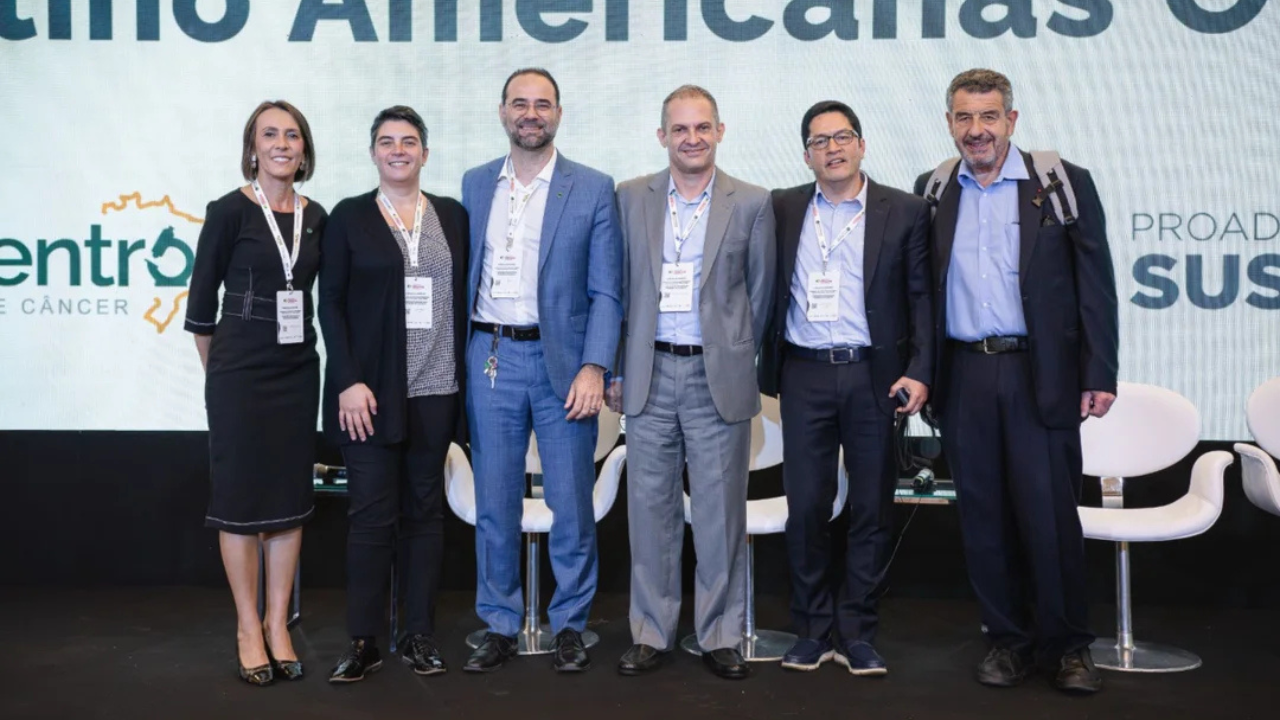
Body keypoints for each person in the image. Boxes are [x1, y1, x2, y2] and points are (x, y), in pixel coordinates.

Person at [913, 68, 1119, 694]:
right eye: (964, 117)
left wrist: (1099, 371)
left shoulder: (1060, 183)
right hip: (964, 374)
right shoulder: (933, 190)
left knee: (1049, 516)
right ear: (949, 122)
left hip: (1041, 375)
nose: (976, 130)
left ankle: (1069, 647)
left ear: (1011, 120)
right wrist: (923, 373)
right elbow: (921, 294)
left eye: (989, 116)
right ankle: (1007, 641)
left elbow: (1096, 286)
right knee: (983, 517)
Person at [759, 100, 932, 676]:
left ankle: (856, 631)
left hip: (873, 376)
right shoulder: (782, 207)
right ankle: (811, 629)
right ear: (806, 155)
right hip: (803, 374)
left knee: (871, 507)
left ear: (861, 145)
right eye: (819, 141)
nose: (832, 149)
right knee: (806, 507)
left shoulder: (905, 210)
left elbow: (922, 298)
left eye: (842, 137)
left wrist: (921, 368)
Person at [608, 85, 776, 680]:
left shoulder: (752, 202)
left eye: (703, 127)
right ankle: (651, 632)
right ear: (662, 136)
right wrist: (616, 368)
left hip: (716, 378)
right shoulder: (631, 197)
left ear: (720, 131)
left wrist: (733, 356)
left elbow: (760, 296)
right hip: (649, 374)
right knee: (648, 511)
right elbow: (617, 290)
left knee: (719, 512)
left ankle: (720, 634)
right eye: (680, 129)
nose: (692, 138)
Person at [460, 68, 623, 674]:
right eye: (520, 103)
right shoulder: (476, 183)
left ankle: (570, 624)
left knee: (571, 504)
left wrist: (595, 366)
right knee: (495, 502)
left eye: (543, 104)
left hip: (565, 365)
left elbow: (607, 292)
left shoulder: (593, 187)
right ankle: (499, 623)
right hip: (491, 356)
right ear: (502, 111)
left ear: (559, 113)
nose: (531, 114)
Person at [318, 106, 469, 683]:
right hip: (370, 395)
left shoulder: (452, 215)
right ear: (373, 153)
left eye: (409, 142)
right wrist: (347, 380)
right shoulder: (349, 216)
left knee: (425, 516)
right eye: (387, 141)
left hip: (437, 389)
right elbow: (330, 304)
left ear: (425, 153)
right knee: (371, 518)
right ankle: (364, 640)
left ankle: (418, 635)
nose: (398, 150)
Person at [184, 100, 326, 686]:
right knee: (241, 504)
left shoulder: (318, 216)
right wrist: (222, 379)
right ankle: (248, 627)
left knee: (289, 500)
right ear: (252, 147)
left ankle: (277, 624)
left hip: (297, 373)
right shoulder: (228, 212)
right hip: (239, 375)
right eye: (270, 134)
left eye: (292, 135)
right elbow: (200, 311)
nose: (281, 144)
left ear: (304, 149)